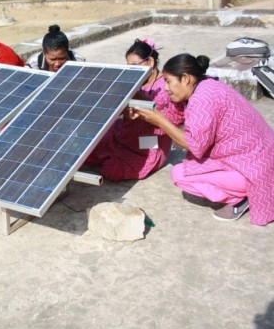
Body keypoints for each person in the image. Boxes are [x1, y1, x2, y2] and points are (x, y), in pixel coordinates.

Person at [132, 53, 274, 225]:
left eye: (168, 82)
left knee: (180, 174)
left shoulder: (203, 100)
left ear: (185, 78)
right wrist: (148, 113)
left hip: (256, 169)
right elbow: (174, 117)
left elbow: (194, 145)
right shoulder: (206, 86)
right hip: (255, 157)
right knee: (190, 166)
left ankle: (242, 197)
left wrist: (159, 121)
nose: (166, 88)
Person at [84, 39, 185, 181]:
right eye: (129, 67)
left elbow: (171, 119)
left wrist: (134, 93)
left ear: (150, 62)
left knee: (112, 170)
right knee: (85, 152)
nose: (133, 71)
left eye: (135, 65)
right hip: (122, 135)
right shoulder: (138, 83)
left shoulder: (166, 86)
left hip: (150, 144)